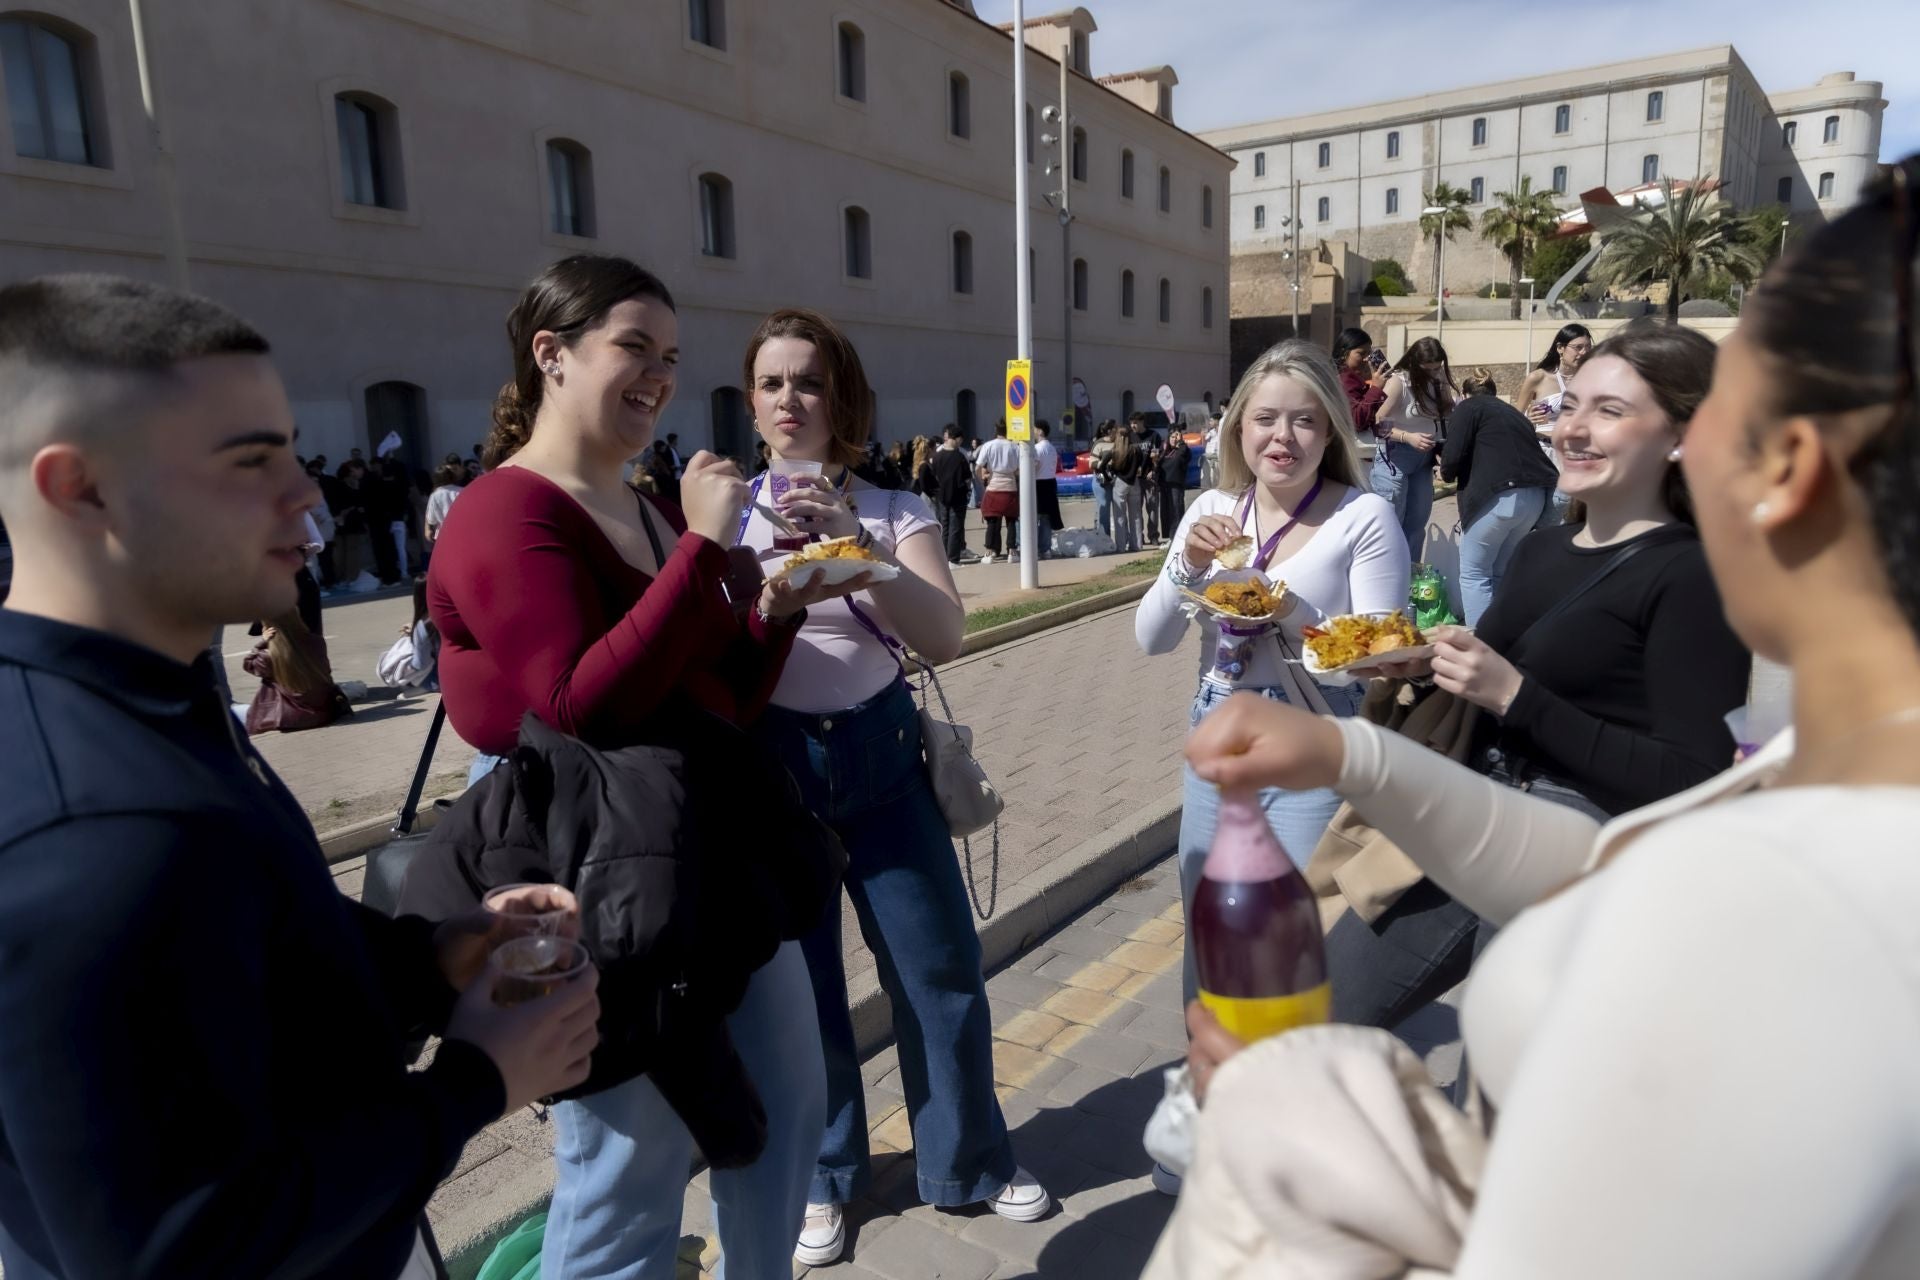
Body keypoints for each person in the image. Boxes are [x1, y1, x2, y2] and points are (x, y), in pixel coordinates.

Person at [1159, 157, 1920, 1278]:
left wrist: (1277, 1105)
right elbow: (1592, 852)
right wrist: (1351, 747)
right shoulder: (1829, 780)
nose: (1567, 423)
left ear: (1790, 467)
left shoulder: (1795, 900)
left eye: (1719, 410)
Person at [0, 273, 597, 1279]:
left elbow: (233, 947)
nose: (309, 493)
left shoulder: (146, 697)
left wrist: (424, 958)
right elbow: (175, 1251)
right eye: (251, 461)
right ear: (82, 487)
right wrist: (475, 1082)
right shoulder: (90, 829)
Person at [427, 255, 857, 1279]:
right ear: (551, 354)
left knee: (789, 1104)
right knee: (631, 1162)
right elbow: (581, 700)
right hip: (592, 883)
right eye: (634, 347)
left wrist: (779, 613)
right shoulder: (505, 510)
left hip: (713, 860)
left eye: (670, 355)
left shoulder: (653, 505)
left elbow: (720, 700)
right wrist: (704, 551)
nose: (660, 374)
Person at [1324, 321, 1752, 1031]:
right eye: (1571, 405)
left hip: (1575, 852)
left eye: (1609, 411)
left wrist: (1515, 696)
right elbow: (1488, 663)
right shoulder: (1544, 548)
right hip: (1474, 804)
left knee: (1499, 1099)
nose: (1572, 430)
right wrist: (1424, 659)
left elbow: (1693, 778)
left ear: (1683, 437)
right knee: (1312, 1015)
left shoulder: (1693, 575)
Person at [734, 308, 1049, 1268]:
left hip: (882, 758)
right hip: (773, 768)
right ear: (751, 402)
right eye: (773, 382)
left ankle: (967, 1159)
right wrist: (769, 597)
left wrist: (858, 554)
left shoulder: (893, 509)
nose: (792, 399)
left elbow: (946, 636)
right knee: (806, 992)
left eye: (811, 381)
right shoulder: (721, 510)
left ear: (842, 397)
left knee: (939, 969)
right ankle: (826, 1176)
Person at [1135, 339, 1409, 1017]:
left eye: (1304, 420)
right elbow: (1153, 637)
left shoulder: (1361, 517)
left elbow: (1378, 656)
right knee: (1210, 934)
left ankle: (1283, 1092)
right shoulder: (1209, 513)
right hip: (1218, 735)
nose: (1282, 437)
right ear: (1239, 428)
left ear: (1329, 432)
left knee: (1287, 949)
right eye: (1265, 419)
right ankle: (1212, 1087)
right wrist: (1186, 571)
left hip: (1312, 744)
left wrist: (1287, 610)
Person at [1438, 367, 1562, 623]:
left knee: (1474, 573)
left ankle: (1481, 646)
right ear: (1494, 392)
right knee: (1500, 572)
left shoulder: (1469, 407)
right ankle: (1503, 640)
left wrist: (1446, 472)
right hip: (1535, 498)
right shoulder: (1513, 414)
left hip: (1498, 497)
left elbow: (1452, 456)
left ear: (1464, 393)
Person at [1372, 336, 1455, 559]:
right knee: (1391, 523)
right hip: (1394, 457)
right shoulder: (1399, 382)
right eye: (1429, 369)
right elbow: (1378, 423)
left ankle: (1411, 578)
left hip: (1423, 459)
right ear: (1415, 365)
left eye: (1438, 368)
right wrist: (1407, 437)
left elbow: (1447, 416)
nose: (1434, 373)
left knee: (1417, 523)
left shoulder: (1440, 380)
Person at [241, 608, 351, 733]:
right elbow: (327, 670)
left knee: (268, 681)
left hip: (292, 719)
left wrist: (262, 643)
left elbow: (248, 664)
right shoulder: (317, 641)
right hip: (326, 711)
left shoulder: (269, 655)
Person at [1517, 322, 1593, 432]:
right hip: (1545, 446)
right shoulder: (1538, 378)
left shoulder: (1592, 379)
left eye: (1588, 347)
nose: (1584, 352)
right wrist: (1528, 419)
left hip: (1580, 445)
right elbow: (1515, 419)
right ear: (1560, 348)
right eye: (1578, 347)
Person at [1333, 326, 1391, 454]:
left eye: (1369, 354)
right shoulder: (1343, 380)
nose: (1367, 359)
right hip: (1352, 456)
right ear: (1344, 353)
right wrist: (1375, 388)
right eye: (1361, 353)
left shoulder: (1355, 380)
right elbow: (1358, 421)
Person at [1100, 416, 1148, 552]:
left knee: (1120, 516)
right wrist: (1140, 472)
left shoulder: (1114, 451)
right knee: (1136, 515)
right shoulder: (1136, 450)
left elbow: (1102, 466)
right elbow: (1143, 463)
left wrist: (1109, 477)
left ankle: (1121, 546)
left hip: (1120, 482)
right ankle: (1137, 545)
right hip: (1135, 482)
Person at [974, 421, 1020, 561]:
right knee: (1011, 521)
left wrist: (982, 478)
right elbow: (1020, 469)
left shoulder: (988, 445)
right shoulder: (1015, 446)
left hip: (994, 486)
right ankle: (1012, 551)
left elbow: (978, 467)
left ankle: (990, 552)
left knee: (992, 522)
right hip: (1010, 487)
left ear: (996, 430)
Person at [929, 425, 975, 564]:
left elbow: (933, 476)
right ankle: (953, 559)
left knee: (944, 526)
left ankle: (943, 557)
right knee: (956, 527)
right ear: (958, 439)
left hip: (941, 496)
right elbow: (967, 478)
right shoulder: (960, 457)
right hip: (958, 497)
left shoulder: (937, 457)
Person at [1033, 419, 1062, 558]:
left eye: (1034, 429)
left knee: (1034, 517)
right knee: (1046, 518)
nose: (1033, 432)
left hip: (1038, 484)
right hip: (1050, 482)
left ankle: (1034, 549)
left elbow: (1034, 466)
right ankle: (1045, 549)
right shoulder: (1052, 448)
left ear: (1040, 431)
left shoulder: (1037, 449)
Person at [423, 456, 466, 547]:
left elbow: (431, 518)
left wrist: (429, 529)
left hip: (444, 535)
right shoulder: (463, 490)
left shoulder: (435, 495)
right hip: (463, 533)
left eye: (455, 469)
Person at [1158, 425, 1192, 537]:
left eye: (1176, 436)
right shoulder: (1164, 450)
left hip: (1176, 485)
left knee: (1176, 510)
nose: (1174, 439)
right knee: (1166, 511)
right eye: (1172, 437)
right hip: (1164, 484)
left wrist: (1181, 442)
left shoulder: (1183, 450)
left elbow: (1182, 457)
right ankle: (1168, 536)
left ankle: (1176, 536)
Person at [1091, 420, 1117, 538]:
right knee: (1104, 509)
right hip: (1102, 481)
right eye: (1115, 428)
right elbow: (1092, 463)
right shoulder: (1098, 444)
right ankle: (1104, 538)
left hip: (1116, 480)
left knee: (1119, 510)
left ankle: (1122, 539)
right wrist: (1105, 463)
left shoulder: (1119, 443)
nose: (1117, 430)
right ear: (1110, 430)